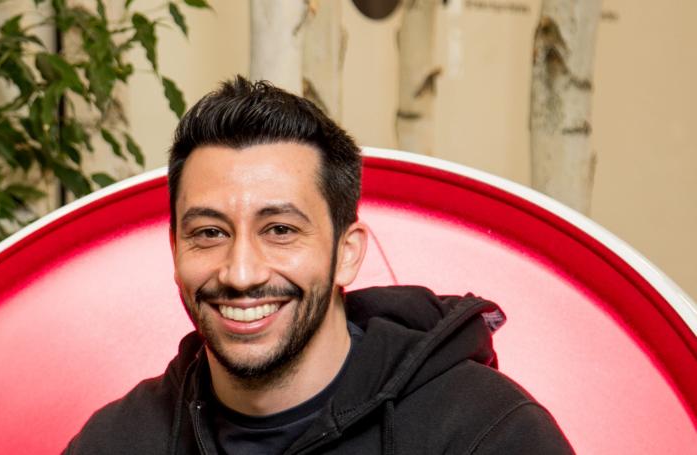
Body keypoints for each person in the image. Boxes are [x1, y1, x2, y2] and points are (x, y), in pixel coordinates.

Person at [64, 76, 574, 454]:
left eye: (280, 230)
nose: (241, 273)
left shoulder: (487, 434)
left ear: (347, 253)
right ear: (175, 250)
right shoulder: (116, 441)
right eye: (210, 233)